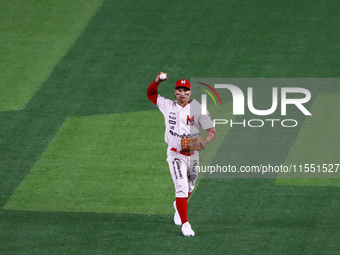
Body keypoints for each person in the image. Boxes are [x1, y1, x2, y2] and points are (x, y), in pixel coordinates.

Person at [147, 72, 216, 237]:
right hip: (175, 154)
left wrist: (204, 141)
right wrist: (157, 81)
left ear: (190, 92)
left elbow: (211, 130)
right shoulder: (167, 106)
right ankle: (185, 224)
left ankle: (179, 206)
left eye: (185, 91)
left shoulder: (198, 108)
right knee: (182, 188)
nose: (182, 94)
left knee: (190, 186)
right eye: (179, 91)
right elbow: (151, 94)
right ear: (175, 92)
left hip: (192, 155)